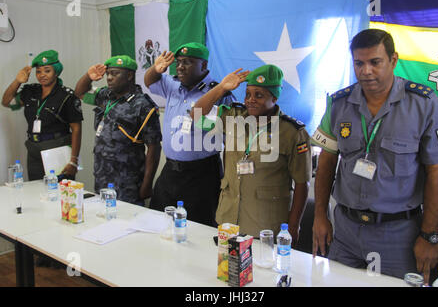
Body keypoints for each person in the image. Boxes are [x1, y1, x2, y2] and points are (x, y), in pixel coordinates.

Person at [311, 29, 438, 284]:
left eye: (375, 62)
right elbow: (327, 162)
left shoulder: (424, 104)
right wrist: (320, 215)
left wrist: (430, 236)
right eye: (359, 63)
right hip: (346, 232)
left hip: (399, 235)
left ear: (393, 60)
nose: (366, 71)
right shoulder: (339, 104)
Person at [191, 64, 311, 241]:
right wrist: (221, 87)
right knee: (225, 267)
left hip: (265, 224)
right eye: (248, 94)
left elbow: (302, 183)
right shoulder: (233, 116)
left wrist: (293, 226)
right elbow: (196, 114)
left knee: (260, 268)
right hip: (228, 219)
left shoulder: (292, 132)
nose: (251, 100)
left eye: (259, 95)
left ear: (275, 98)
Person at [144, 42, 235, 227]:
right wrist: (156, 68)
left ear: (203, 65)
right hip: (170, 172)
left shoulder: (219, 92)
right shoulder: (172, 85)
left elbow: (215, 129)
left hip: (202, 174)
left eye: (187, 62)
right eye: (178, 62)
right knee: (160, 223)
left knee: (199, 229)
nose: (180, 67)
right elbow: (149, 81)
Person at [74, 55, 162, 206]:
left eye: (115, 73)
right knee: (104, 219)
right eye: (108, 74)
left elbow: (154, 147)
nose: (109, 78)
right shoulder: (106, 95)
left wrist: (147, 184)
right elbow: (80, 93)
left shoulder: (142, 105)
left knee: (127, 222)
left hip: (127, 180)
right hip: (102, 175)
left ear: (129, 75)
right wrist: (88, 77)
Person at [1, 49, 83, 181]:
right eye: (38, 71)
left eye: (47, 70)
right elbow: (6, 102)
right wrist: (18, 81)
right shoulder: (31, 91)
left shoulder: (67, 96)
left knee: (59, 191)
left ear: (56, 72)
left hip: (56, 147)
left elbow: (76, 129)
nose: (42, 75)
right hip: (33, 148)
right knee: (36, 190)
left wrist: (73, 160)